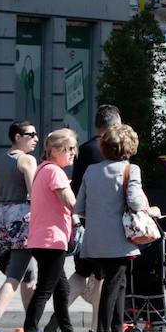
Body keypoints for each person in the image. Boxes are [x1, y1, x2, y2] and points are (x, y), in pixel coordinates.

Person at [75, 124, 157, 332]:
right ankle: (104, 330)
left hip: (94, 240)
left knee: (119, 282)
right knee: (114, 281)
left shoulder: (91, 170)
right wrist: (150, 209)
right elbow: (136, 203)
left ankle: (117, 325)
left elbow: (79, 207)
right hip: (119, 240)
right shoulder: (131, 169)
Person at [0, 121, 39, 332]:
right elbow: (35, 195)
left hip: (5, 219)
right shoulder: (27, 160)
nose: (36, 138)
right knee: (15, 275)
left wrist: (8, 197)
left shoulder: (0, 162)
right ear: (17, 137)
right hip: (24, 221)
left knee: (29, 276)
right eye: (31, 134)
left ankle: (32, 325)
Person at [22, 129, 79, 332]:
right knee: (45, 288)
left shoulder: (43, 169)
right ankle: (30, 328)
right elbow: (70, 201)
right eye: (68, 149)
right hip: (52, 240)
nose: (73, 153)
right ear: (55, 150)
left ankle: (65, 328)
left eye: (74, 148)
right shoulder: (55, 172)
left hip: (42, 239)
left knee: (61, 288)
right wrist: (90, 212)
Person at [67, 105, 120, 316]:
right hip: (104, 225)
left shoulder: (85, 149)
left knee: (81, 273)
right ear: (114, 125)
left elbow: (77, 186)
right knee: (101, 277)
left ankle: (54, 320)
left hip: (85, 222)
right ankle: (97, 327)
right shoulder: (109, 151)